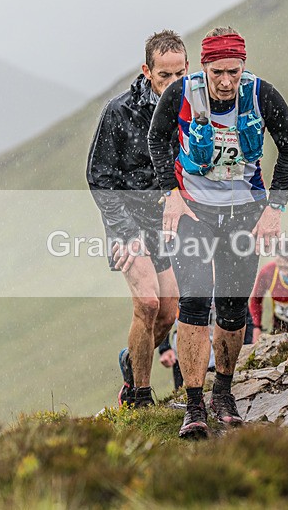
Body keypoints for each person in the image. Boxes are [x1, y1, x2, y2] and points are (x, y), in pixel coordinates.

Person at [148, 27, 288, 438]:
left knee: (233, 309)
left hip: (243, 214)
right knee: (194, 302)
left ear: (242, 66)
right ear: (204, 67)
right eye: (218, 72)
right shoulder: (180, 93)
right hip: (194, 214)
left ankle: (224, 392)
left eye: (234, 71)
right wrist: (172, 194)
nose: (226, 81)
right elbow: (158, 139)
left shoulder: (260, 94)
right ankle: (194, 404)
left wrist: (275, 208)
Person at [86, 30, 187, 408]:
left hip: (167, 221)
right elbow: (99, 177)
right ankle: (140, 397)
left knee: (168, 311)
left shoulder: (191, 109)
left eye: (179, 75)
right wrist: (126, 233)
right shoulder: (120, 111)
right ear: (147, 71)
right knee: (146, 303)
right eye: (165, 76)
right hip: (127, 221)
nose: (173, 84)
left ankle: (131, 362)